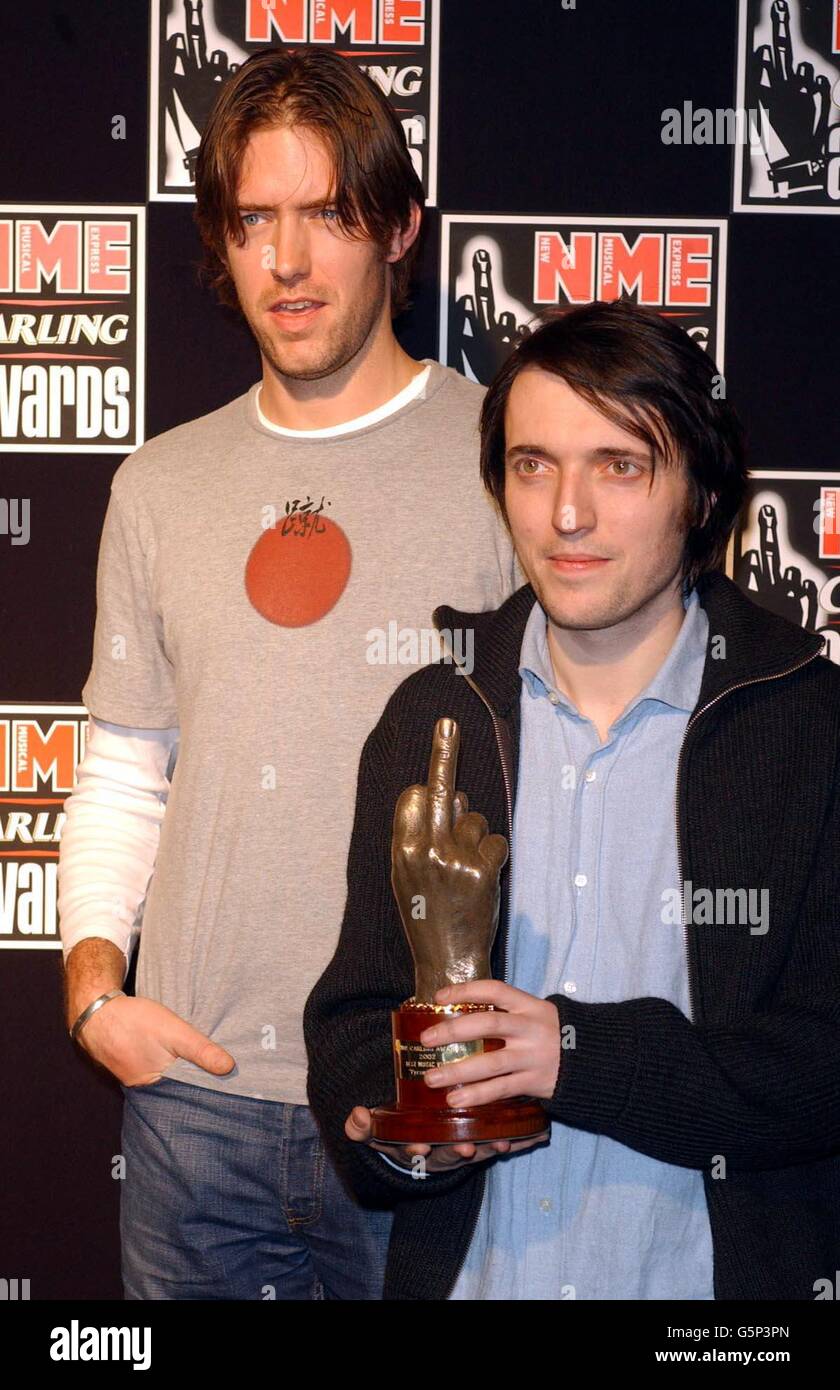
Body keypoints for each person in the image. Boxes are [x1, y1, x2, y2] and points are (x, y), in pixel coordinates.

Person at [58, 47, 519, 1301]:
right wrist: (100, 992)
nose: (288, 260)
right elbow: (124, 768)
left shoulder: (514, 461)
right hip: (191, 1108)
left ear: (402, 227)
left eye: (327, 213)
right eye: (256, 219)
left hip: (415, 1100)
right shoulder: (157, 486)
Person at [304, 297, 840, 1301]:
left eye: (620, 465)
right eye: (532, 464)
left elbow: (822, 1064)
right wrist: (411, 1139)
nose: (566, 514)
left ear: (701, 493)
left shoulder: (807, 728)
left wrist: (576, 1054)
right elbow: (353, 1024)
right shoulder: (434, 719)